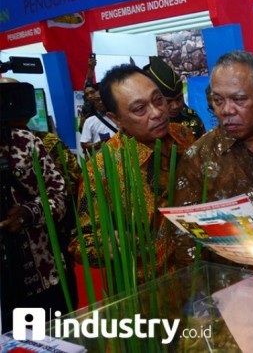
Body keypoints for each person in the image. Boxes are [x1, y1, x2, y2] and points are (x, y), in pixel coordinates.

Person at [69, 64, 194, 279]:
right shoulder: (102, 167)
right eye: (139, 109)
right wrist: (106, 244)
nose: (157, 113)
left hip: (198, 276)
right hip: (147, 292)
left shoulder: (183, 136)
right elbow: (81, 242)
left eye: (158, 100)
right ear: (116, 119)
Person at [174, 50, 253, 266]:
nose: (227, 110)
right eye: (218, 100)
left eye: (239, 99)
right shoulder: (198, 157)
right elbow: (187, 242)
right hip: (228, 289)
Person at [0, 81, 69, 332]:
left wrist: (30, 212)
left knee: (54, 340)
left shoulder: (25, 143)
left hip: (41, 272)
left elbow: (60, 194)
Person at [146, 56, 205, 140]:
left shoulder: (193, 119)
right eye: (168, 101)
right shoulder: (148, 124)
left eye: (179, 98)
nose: (175, 106)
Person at [79, 83, 118, 154]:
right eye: (97, 100)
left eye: (103, 99)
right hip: (102, 158)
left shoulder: (120, 115)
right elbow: (84, 144)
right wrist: (97, 145)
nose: (101, 102)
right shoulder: (89, 120)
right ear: (94, 103)